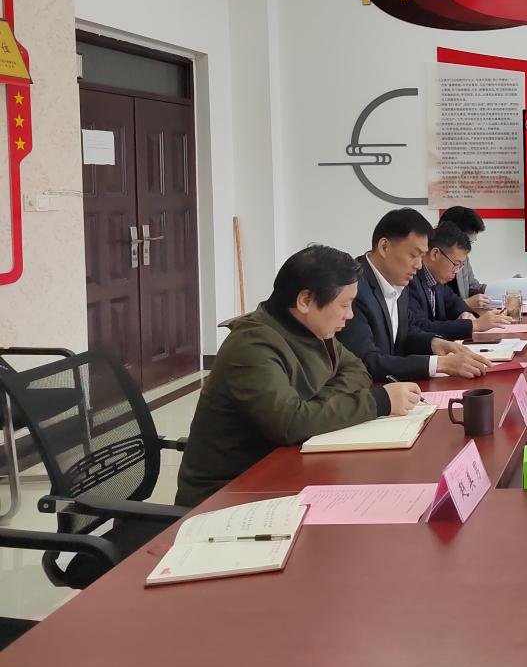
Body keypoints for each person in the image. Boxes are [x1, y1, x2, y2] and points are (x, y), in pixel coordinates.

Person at [176, 246, 422, 507]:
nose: (350, 315)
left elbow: (357, 370)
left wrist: (312, 409)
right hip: (227, 495)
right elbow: (290, 424)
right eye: (344, 305)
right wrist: (378, 402)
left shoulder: (314, 328)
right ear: (305, 301)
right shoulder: (252, 345)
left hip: (279, 471)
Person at [339, 208, 492, 383]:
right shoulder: (352, 288)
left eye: (422, 256)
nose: (419, 265)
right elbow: (366, 362)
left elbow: (406, 333)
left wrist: (434, 343)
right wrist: (438, 364)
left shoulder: (397, 280)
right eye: (414, 255)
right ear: (384, 247)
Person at [407, 221, 509, 340]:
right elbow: (421, 326)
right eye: (456, 264)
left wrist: (466, 314)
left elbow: (454, 302)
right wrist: (475, 325)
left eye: (461, 266)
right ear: (435, 254)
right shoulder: (410, 280)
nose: (457, 271)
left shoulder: (437, 279)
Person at [440, 205, 492, 310]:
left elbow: (473, 288)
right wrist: (465, 303)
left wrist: (503, 287)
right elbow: (435, 310)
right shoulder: (429, 263)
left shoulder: (463, 257)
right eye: (468, 242)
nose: (468, 248)